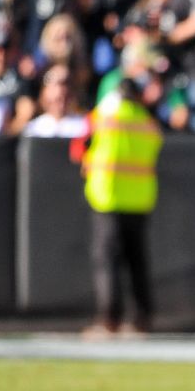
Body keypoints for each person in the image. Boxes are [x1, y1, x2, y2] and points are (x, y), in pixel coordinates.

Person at [73, 77, 164, 339]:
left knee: (108, 262)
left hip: (108, 197)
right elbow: (156, 144)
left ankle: (109, 319)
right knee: (138, 261)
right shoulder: (146, 120)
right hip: (139, 198)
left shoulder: (101, 116)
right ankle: (142, 318)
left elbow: (78, 147)